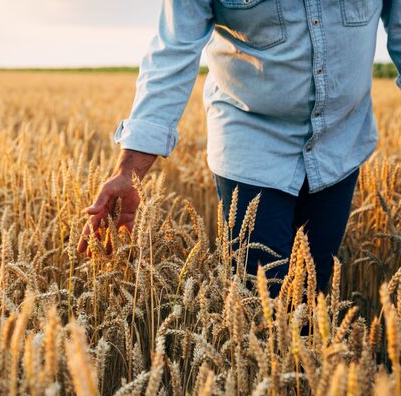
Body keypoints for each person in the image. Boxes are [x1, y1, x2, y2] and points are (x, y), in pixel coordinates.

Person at [77, 0, 400, 296]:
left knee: (315, 291)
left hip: (340, 142)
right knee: (260, 296)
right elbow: (173, 50)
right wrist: (129, 171)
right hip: (251, 143)